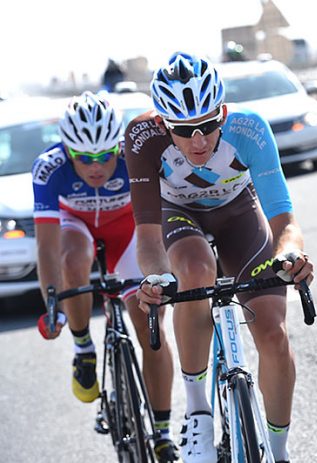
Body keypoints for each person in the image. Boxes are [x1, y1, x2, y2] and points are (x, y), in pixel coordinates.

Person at [125, 52, 313, 463]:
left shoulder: (250, 130)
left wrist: (290, 254)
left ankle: (279, 452)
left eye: (209, 125)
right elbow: (148, 237)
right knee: (193, 271)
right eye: (184, 129)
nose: (199, 140)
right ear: (162, 124)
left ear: (223, 112)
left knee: (274, 336)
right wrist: (157, 278)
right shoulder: (142, 137)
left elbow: (284, 222)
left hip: (238, 214)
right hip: (178, 215)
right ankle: (197, 413)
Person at [33, 91, 179, 461]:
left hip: (127, 232)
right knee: (72, 257)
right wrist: (53, 306)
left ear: (117, 146)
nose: (95, 166)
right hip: (76, 228)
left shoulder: (132, 158)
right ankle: (83, 348)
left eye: (104, 156)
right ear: (67, 150)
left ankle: (161, 432)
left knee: (153, 332)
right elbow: (47, 249)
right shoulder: (48, 169)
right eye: (83, 158)